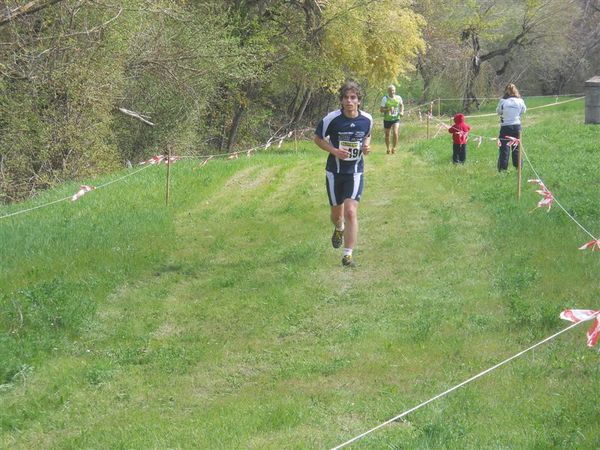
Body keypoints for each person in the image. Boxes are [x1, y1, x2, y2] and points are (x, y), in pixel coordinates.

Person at [314, 80, 373, 267]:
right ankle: (338, 229)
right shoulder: (331, 119)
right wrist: (334, 151)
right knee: (337, 215)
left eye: (353, 98)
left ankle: (347, 255)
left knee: (350, 212)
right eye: (346, 98)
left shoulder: (367, 119)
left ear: (359, 101)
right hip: (334, 172)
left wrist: (366, 146)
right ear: (341, 101)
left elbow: (367, 134)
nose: (349, 101)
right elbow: (317, 138)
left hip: (355, 172)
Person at [496, 83, 526, 171]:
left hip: (506, 127)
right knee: (516, 147)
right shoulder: (520, 100)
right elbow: (524, 110)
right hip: (517, 126)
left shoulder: (503, 101)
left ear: (506, 91)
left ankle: (502, 168)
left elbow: (498, 111)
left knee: (504, 148)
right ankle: (518, 167)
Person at [379, 84, 404, 154]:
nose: (391, 92)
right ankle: (388, 148)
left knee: (395, 132)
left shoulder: (398, 98)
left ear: (395, 91)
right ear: (388, 91)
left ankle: (394, 148)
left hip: (396, 118)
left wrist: (402, 111)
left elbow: (402, 105)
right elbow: (381, 110)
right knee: (387, 134)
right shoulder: (385, 99)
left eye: (393, 90)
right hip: (387, 119)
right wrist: (388, 109)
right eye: (390, 90)